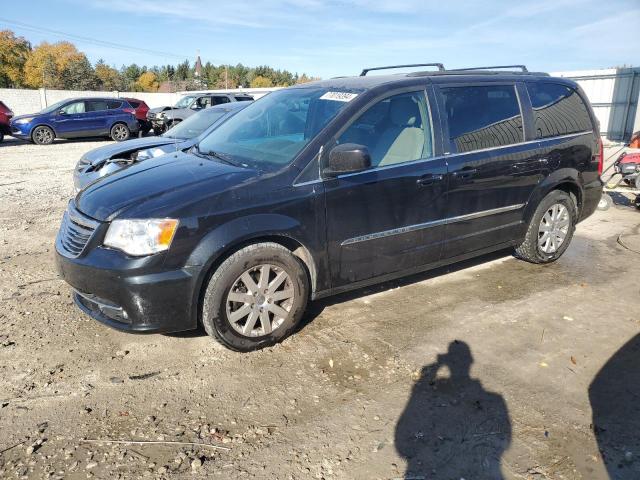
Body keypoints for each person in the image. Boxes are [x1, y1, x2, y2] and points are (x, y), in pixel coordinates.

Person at [395, 340, 512, 479]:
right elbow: (506, 438)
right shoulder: (495, 400)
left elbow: (402, 441)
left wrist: (433, 370)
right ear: (471, 361)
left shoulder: (494, 400)